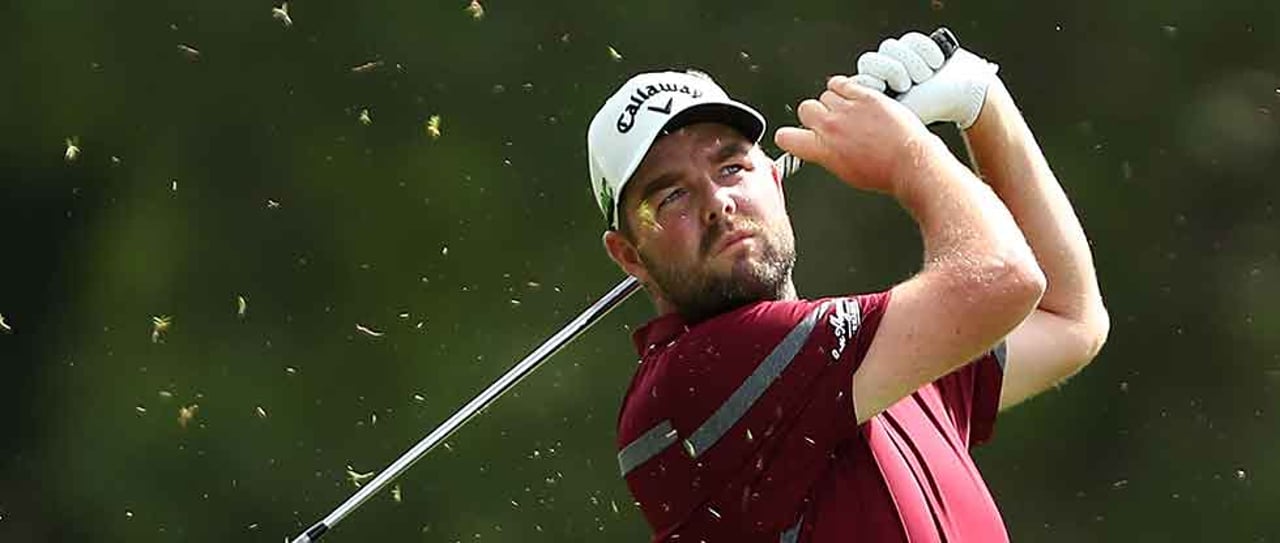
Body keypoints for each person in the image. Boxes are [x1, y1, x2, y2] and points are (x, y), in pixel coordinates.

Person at [585, 29, 1109, 542]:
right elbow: (1004, 280)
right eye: (671, 197)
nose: (717, 202)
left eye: (731, 166)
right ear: (629, 255)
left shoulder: (869, 360)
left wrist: (983, 104)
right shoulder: (692, 381)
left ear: (774, 180)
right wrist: (909, 154)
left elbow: (1067, 320)